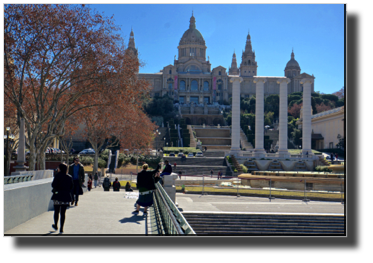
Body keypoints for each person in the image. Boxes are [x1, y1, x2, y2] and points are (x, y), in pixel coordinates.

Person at [51, 163, 73, 234]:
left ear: (60, 169)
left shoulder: (57, 176)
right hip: (65, 197)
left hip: (57, 196)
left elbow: (53, 185)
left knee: (56, 212)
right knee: (63, 213)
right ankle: (61, 228)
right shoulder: (69, 177)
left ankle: (56, 225)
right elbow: (71, 187)